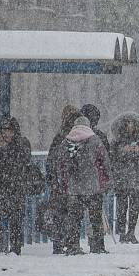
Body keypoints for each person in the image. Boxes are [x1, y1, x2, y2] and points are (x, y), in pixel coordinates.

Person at [57, 116, 111, 255]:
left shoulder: (66, 141)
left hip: (73, 189)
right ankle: (97, 246)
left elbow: (60, 165)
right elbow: (104, 161)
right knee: (95, 218)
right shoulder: (95, 140)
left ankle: (73, 246)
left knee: (74, 218)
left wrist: (63, 183)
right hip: (92, 186)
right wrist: (107, 180)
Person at [0, 116, 32, 255]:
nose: (7, 134)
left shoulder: (22, 144)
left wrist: (5, 152)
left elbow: (23, 160)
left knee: (16, 219)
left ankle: (15, 248)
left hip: (15, 187)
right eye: (4, 131)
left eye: (10, 131)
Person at [45, 105, 82, 254]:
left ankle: (59, 243)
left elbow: (51, 161)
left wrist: (53, 180)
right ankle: (71, 243)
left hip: (60, 183)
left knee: (59, 214)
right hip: (73, 183)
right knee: (73, 214)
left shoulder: (60, 137)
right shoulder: (79, 138)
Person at [111, 113, 139, 243]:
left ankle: (131, 231)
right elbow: (113, 157)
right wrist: (124, 151)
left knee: (135, 205)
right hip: (121, 177)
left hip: (134, 177)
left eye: (132, 124)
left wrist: (137, 151)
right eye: (128, 124)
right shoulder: (116, 141)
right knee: (122, 205)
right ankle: (122, 233)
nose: (130, 127)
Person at [80, 103, 110, 248]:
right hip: (95, 181)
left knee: (81, 214)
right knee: (96, 213)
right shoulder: (99, 137)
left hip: (79, 181)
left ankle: (89, 240)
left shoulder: (75, 136)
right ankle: (98, 243)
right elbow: (106, 160)